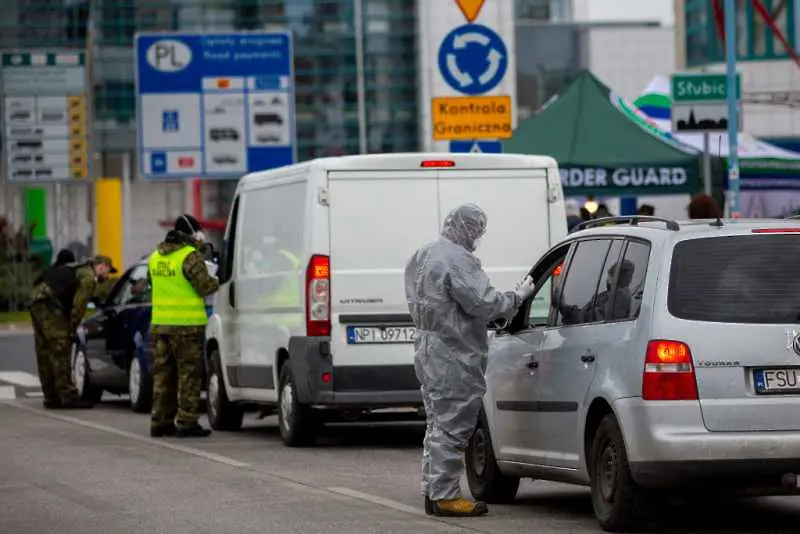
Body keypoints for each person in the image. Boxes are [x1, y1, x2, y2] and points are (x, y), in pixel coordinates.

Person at [404, 203, 536, 517]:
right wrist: (517, 298)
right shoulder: (457, 260)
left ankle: (434, 490)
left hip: (429, 349)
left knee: (437, 424)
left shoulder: (423, 255)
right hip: (454, 353)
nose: (477, 236)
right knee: (453, 426)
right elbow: (482, 302)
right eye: (476, 230)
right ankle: (445, 496)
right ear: (466, 228)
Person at [148, 214, 220, 438]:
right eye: (198, 231)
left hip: (161, 326)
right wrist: (218, 279)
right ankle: (186, 422)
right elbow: (204, 287)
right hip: (186, 327)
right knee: (188, 376)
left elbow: (153, 285)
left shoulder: (155, 257)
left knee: (163, 376)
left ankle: (160, 421)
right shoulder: (189, 256)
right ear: (191, 233)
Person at [28, 255, 117, 409]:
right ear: (101, 266)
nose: (107, 276)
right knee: (60, 350)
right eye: (108, 271)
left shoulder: (75, 268)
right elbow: (79, 305)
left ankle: (51, 396)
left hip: (37, 300)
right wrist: (71, 329)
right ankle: (68, 396)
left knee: (44, 352)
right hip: (51, 304)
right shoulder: (89, 277)